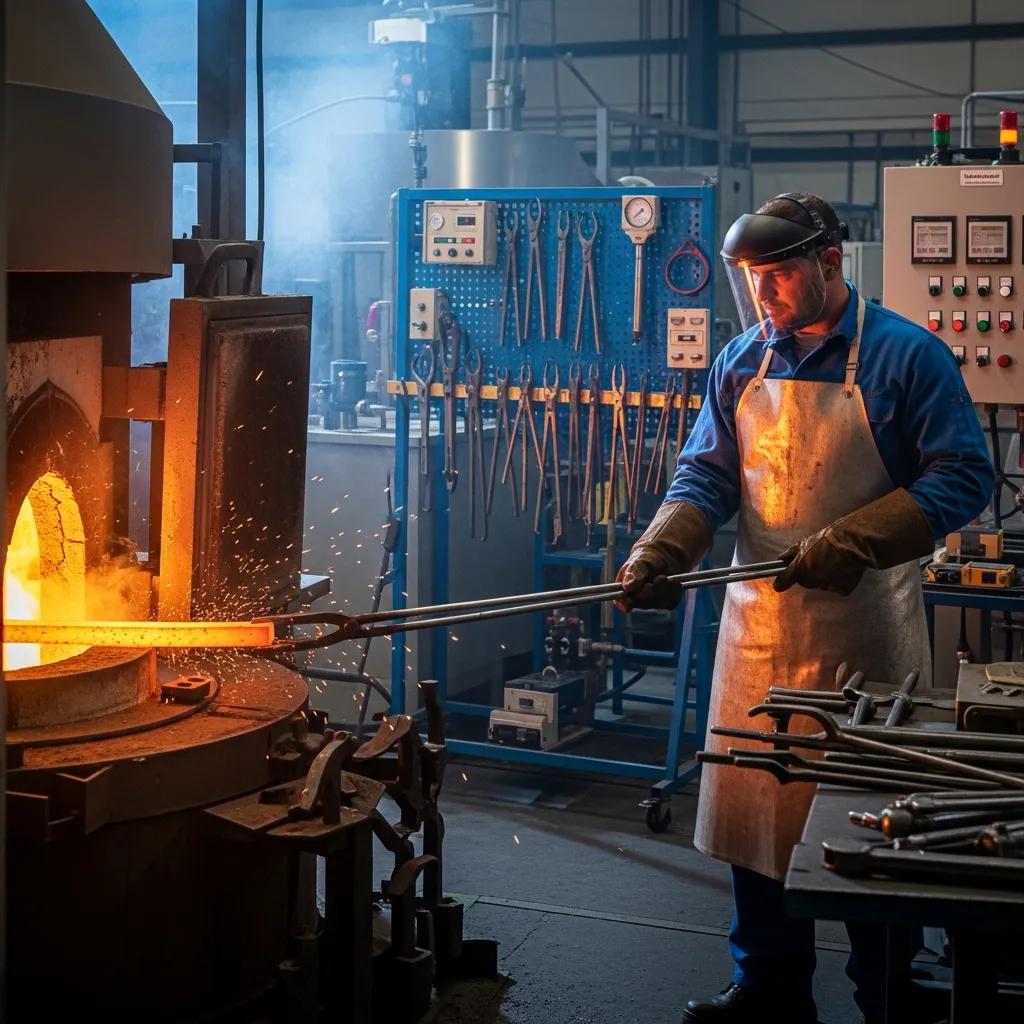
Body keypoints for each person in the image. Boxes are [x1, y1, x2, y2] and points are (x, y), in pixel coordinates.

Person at [616, 192, 994, 1024]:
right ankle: (768, 989)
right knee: (755, 813)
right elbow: (707, 476)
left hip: (867, 639)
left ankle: (890, 990)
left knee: (868, 824)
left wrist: (857, 537)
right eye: (752, 278)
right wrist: (663, 547)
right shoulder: (741, 360)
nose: (765, 295)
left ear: (832, 262)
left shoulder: (906, 358)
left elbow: (966, 476)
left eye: (780, 273)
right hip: (759, 632)